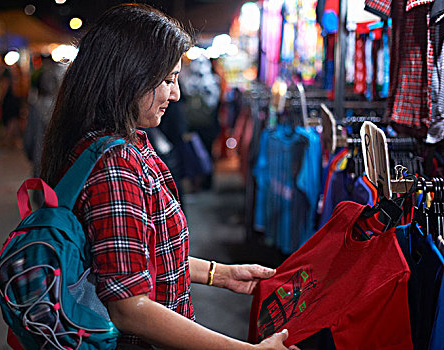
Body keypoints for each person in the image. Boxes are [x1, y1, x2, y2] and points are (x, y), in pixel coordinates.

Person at [40, 4, 297, 350]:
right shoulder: (116, 164)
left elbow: (137, 254)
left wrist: (218, 273)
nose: (175, 94)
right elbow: (130, 307)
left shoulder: (115, 145)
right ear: (130, 76)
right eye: (168, 80)